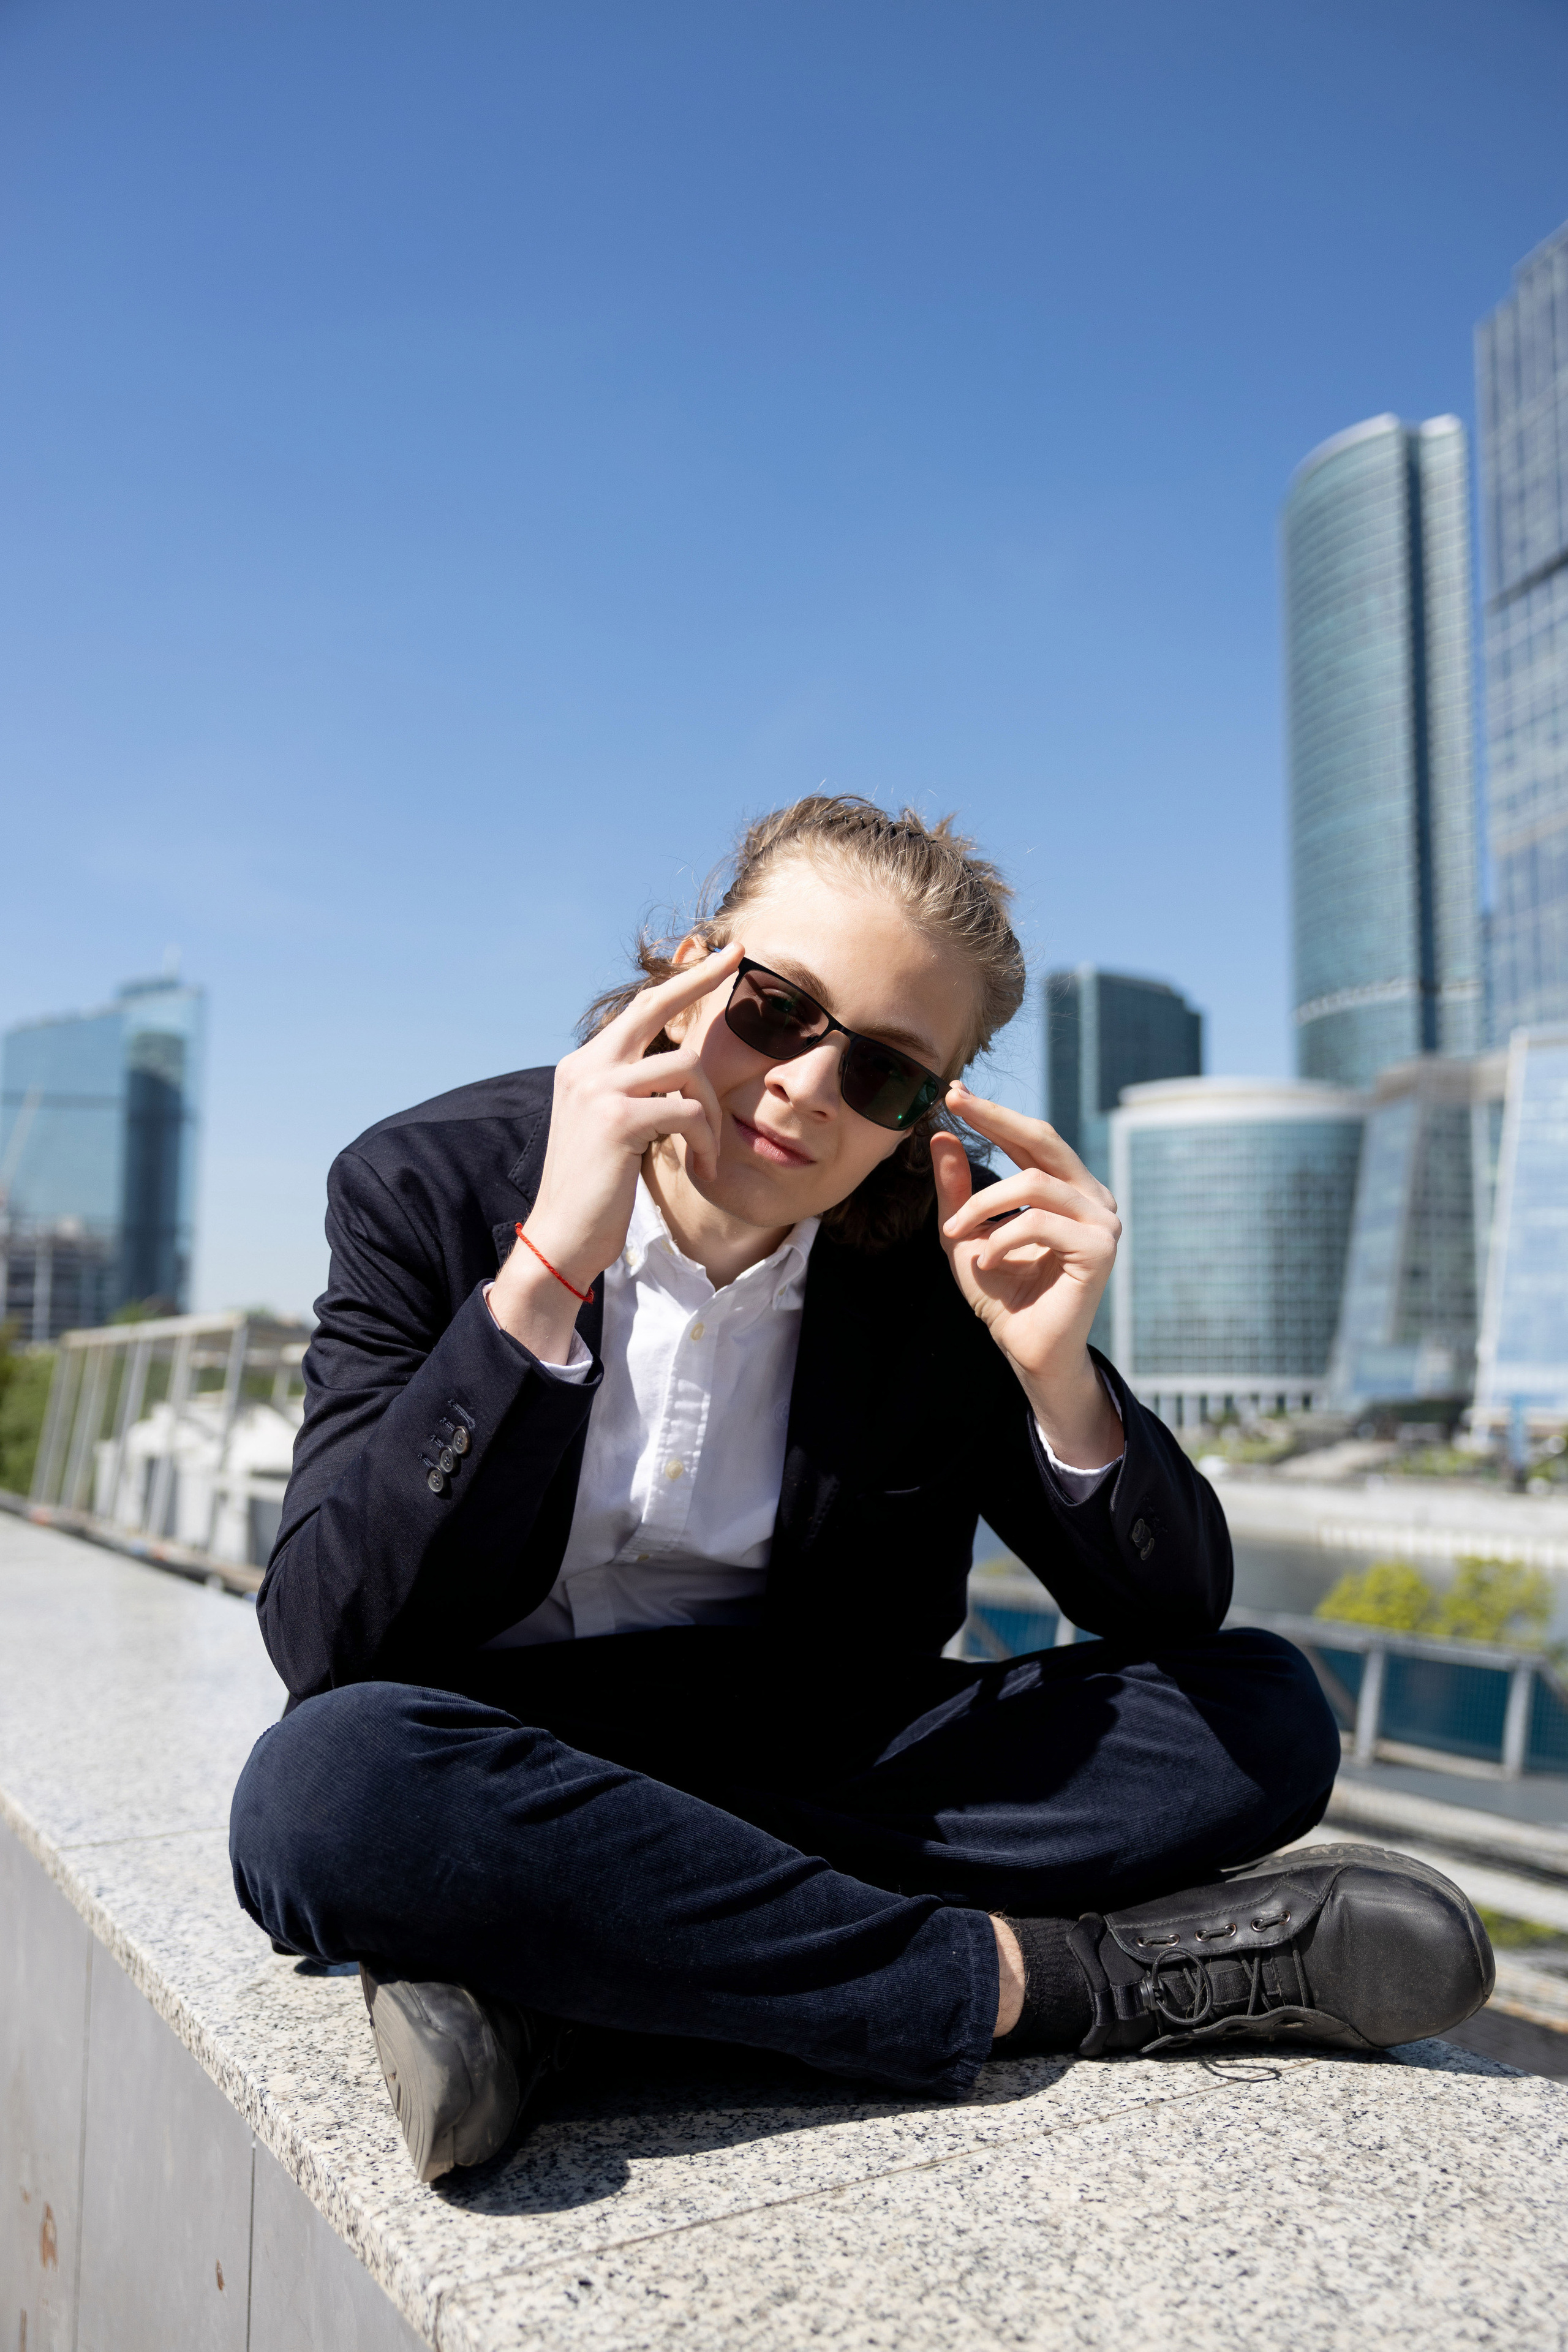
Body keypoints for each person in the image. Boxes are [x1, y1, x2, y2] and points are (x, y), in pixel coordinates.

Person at [229, 796, 1492, 2184]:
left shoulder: (932, 1266)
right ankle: (1067, 1984)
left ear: (922, 1113)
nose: (806, 1090)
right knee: (329, 1791)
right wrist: (543, 1272)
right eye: (774, 1010)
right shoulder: (429, 1182)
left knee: (1261, 1716)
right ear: (690, 970)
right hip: (497, 1741)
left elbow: (1173, 1610)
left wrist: (1055, 1371)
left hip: (811, 1752)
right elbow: (327, 1635)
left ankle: (567, 1984)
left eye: (883, 1074)